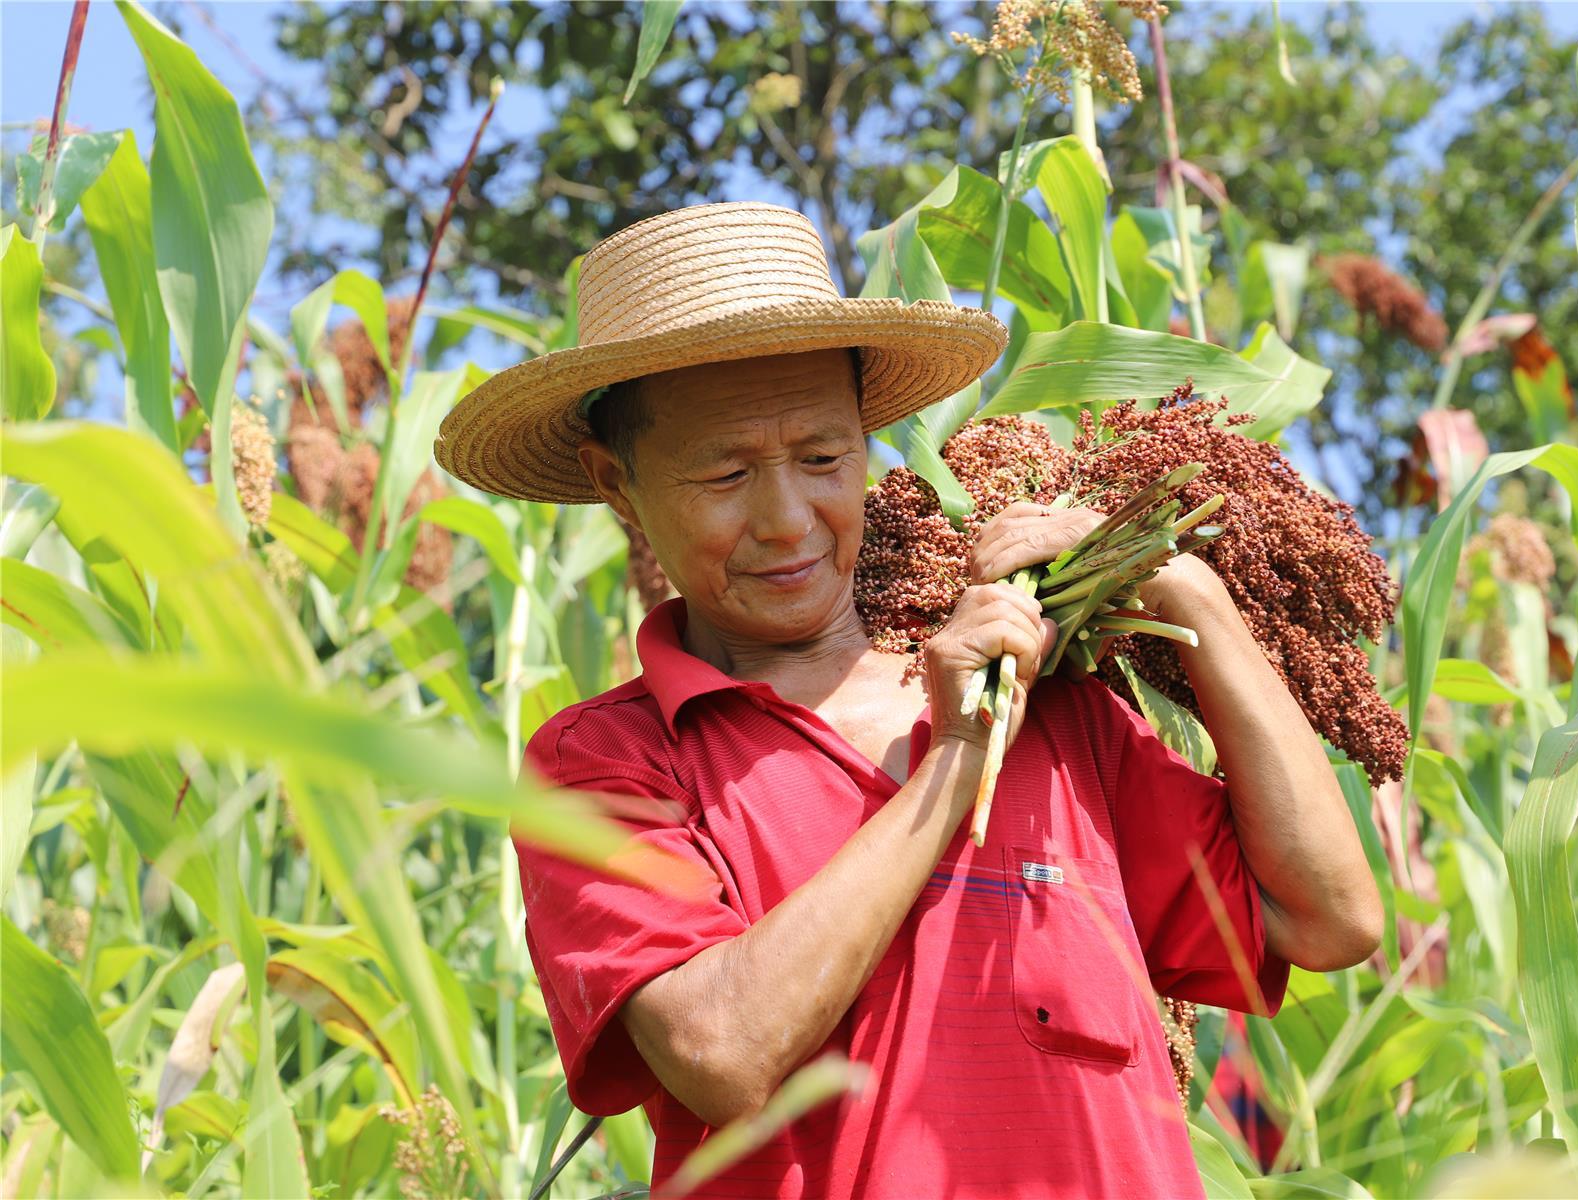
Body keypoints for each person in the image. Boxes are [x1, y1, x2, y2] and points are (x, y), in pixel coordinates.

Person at [432, 201, 1381, 1198]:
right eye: (724, 472)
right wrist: (955, 764)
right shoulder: (606, 767)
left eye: (824, 458)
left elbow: (1328, 919)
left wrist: (1186, 588)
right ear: (616, 487)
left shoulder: (1051, 711)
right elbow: (718, 1048)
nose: (788, 519)